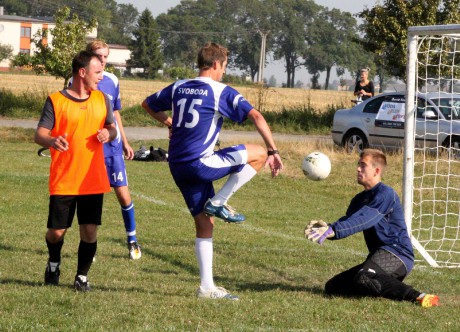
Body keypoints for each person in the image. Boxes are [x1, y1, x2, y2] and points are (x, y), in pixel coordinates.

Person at [141, 42, 284, 300]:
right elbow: (257, 117)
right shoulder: (219, 91)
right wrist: (274, 151)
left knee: (205, 224)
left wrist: (169, 122)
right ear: (217, 64)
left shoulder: (177, 87)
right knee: (259, 154)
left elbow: (148, 104)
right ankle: (220, 200)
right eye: (224, 67)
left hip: (177, 165)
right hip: (200, 164)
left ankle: (206, 288)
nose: (223, 73)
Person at [304, 149, 439, 308]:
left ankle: (419, 296)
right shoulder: (359, 199)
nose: (358, 169)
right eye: (358, 165)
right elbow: (351, 220)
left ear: (376, 171)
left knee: (364, 277)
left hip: (398, 254)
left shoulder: (386, 193)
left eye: (363, 165)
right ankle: (383, 284)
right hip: (378, 256)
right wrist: (328, 228)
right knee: (333, 287)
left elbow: (366, 218)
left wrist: (334, 229)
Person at [35, 50, 117, 292]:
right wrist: (51, 141)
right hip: (64, 179)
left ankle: (81, 276)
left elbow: (112, 127)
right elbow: (40, 133)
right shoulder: (56, 100)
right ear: (83, 73)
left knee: (89, 230)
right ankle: (53, 262)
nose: (101, 76)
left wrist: (108, 133)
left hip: (92, 179)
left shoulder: (103, 100)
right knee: (56, 232)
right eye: (98, 71)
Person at [85, 40, 142, 260]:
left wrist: (125, 141)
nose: (103, 60)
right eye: (99, 56)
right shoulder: (79, 79)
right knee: (92, 197)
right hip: (91, 147)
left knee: (122, 194)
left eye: (105, 57)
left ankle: (132, 240)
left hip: (112, 146)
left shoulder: (112, 80)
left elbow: (116, 113)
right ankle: (90, 245)